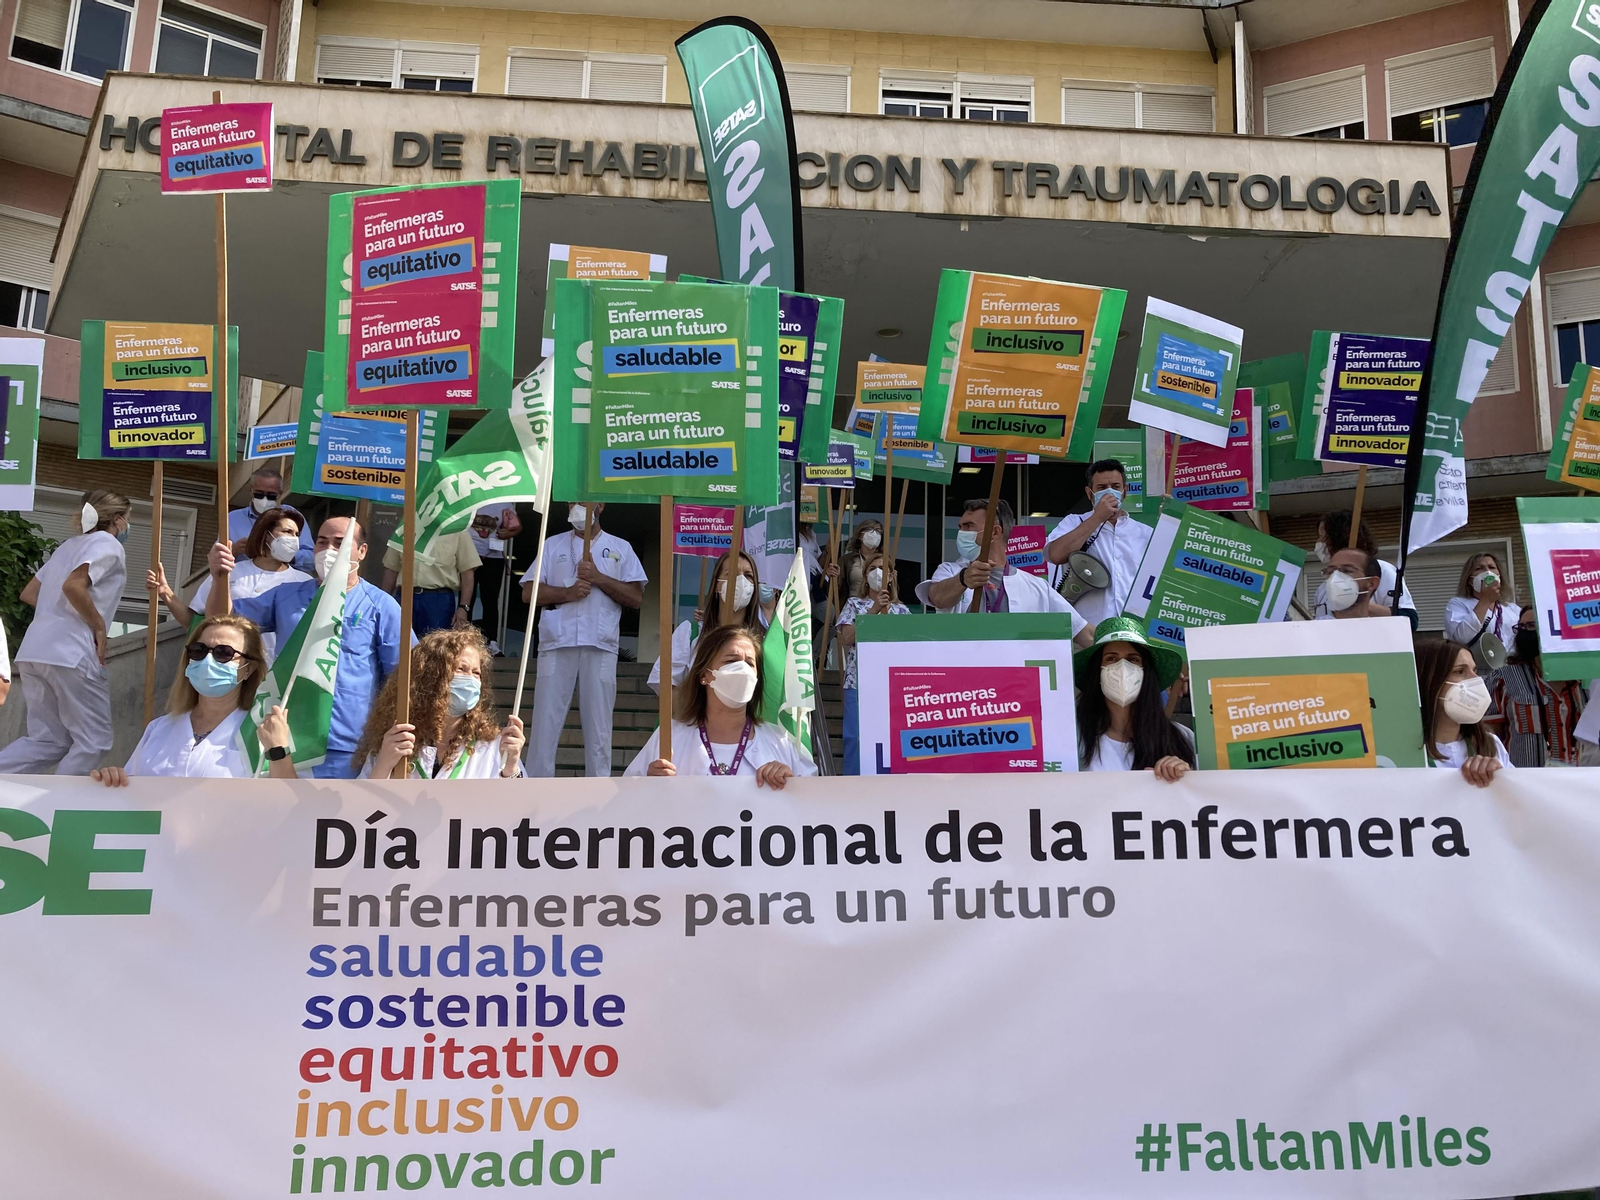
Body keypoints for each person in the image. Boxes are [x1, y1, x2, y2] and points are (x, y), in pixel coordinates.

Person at [205, 516, 405, 779]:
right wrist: (219, 577)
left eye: (340, 543)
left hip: (347, 747)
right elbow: (223, 624)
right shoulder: (287, 594)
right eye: (322, 542)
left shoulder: (381, 605)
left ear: (362, 551)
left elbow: (403, 676)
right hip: (286, 739)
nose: (329, 550)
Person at [0, 490, 130, 775]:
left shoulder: (68, 546)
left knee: (48, 740)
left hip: (36, 649)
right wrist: (97, 625)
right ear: (118, 520)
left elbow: (30, 593)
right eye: (127, 520)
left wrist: (56, 614)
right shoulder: (108, 544)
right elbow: (73, 586)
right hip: (71, 651)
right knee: (94, 740)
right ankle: (58, 805)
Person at [90, 616, 297, 784]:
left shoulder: (263, 732)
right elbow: (131, 792)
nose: (208, 661)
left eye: (223, 653)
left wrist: (278, 750)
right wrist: (113, 779)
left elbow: (289, 808)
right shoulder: (159, 729)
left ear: (248, 668)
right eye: (199, 651)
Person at [521, 501, 646, 778]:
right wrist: (567, 593)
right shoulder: (552, 545)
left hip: (600, 645)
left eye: (583, 502)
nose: (576, 508)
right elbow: (528, 593)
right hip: (556, 644)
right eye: (571, 503)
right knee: (544, 725)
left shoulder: (620, 547)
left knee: (599, 728)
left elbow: (636, 597)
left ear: (599, 505)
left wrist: (600, 578)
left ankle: (597, 792)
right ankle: (535, 794)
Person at [626, 623, 816, 785]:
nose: (742, 670)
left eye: (750, 663)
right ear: (704, 675)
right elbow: (625, 803)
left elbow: (814, 806)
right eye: (731, 660)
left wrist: (792, 784)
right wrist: (647, 786)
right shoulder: (669, 738)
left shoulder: (780, 741)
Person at [352, 627, 526, 779]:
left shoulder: (494, 745)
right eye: (461, 669)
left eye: (476, 673)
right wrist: (384, 764)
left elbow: (520, 809)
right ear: (431, 677)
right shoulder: (396, 739)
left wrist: (511, 767)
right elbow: (361, 809)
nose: (471, 680)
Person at [918, 499, 1092, 646]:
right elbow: (937, 598)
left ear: (994, 532)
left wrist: (1116, 641)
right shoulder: (950, 571)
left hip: (1015, 680)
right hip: (964, 678)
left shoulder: (1037, 587)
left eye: (968, 526)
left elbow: (1083, 633)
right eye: (961, 526)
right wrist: (963, 579)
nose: (961, 532)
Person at [151, 506, 312, 661]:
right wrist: (165, 592)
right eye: (287, 532)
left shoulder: (304, 583)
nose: (294, 539)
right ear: (266, 534)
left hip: (274, 677)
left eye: (297, 534)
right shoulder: (229, 572)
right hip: (225, 667)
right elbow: (195, 621)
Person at [1073, 616, 1195, 778]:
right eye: (1111, 658)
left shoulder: (1181, 737)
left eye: (1133, 659)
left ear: (1147, 672)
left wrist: (1186, 777)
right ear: (1097, 672)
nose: (1123, 667)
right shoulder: (1073, 739)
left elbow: (1201, 796)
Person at [1045, 459, 1153, 627]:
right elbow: (1055, 555)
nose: (1110, 494)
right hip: (1088, 630)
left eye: (1116, 487)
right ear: (1090, 493)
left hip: (1134, 630)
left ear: (1125, 491)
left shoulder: (1145, 533)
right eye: (1102, 488)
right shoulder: (1074, 522)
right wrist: (1098, 517)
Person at [649, 548, 765, 694]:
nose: (741, 581)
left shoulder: (765, 640)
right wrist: (699, 713)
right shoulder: (691, 632)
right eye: (731, 574)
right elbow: (664, 682)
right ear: (717, 584)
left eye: (748, 575)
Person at [835, 555, 911, 775]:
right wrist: (874, 609)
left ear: (892, 577)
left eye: (884, 569)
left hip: (891, 684)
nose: (878, 572)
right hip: (858, 682)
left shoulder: (902, 611)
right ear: (866, 576)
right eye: (874, 568)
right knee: (856, 738)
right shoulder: (854, 604)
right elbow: (846, 638)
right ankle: (852, 786)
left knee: (890, 737)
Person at [1489, 606, 1590, 767]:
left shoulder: (1589, 679)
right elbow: (1488, 733)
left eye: (1531, 626)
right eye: (1520, 627)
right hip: (1527, 784)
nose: (1524, 633)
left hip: (1580, 783)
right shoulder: (1504, 678)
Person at [1414, 637, 1511, 786]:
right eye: (1460, 671)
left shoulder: (1490, 744)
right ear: (1429, 680)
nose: (1476, 679)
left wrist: (1500, 779)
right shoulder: (1402, 754)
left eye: (1474, 670)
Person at [1310, 512, 1415, 621]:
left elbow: (1409, 618)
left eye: (1323, 536)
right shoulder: (1322, 589)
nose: (1318, 542)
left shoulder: (1380, 570)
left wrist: (1355, 602)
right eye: (1330, 571)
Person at [382, 528, 480, 639]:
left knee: (434, 649)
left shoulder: (458, 531)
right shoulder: (406, 526)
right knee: (398, 645)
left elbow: (467, 574)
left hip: (438, 601)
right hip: (404, 597)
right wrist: (383, 603)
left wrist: (463, 607)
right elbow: (391, 569)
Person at [225, 466, 313, 570]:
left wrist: (288, 554)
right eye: (259, 494)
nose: (264, 499)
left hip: (281, 580)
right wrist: (234, 550)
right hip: (243, 578)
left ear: (279, 494)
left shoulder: (291, 517)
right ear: (251, 491)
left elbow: (312, 559)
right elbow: (216, 556)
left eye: (271, 495)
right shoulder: (233, 518)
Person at [1443, 551, 1520, 650]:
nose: (1487, 572)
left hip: (1513, 664)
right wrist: (1485, 600)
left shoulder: (1513, 609)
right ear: (1470, 579)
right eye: (1479, 568)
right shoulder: (1458, 604)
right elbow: (1461, 639)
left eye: (1491, 567)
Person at [468, 506, 519, 649]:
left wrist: (507, 534)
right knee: (466, 600)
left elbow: (517, 527)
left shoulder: (504, 503)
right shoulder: (469, 496)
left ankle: (492, 641)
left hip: (494, 558)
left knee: (490, 600)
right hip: (468, 556)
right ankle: (462, 638)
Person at [1314, 547, 1392, 621]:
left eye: (1347, 570)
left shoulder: (1386, 631)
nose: (1335, 577)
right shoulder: (1311, 630)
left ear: (1371, 583)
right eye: (1330, 571)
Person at [839, 519, 884, 599]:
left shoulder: (885, 560)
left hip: (879, 604)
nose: (874, 534)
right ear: (860, 535)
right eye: (869, 530)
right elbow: (838, 589)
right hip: (854, 606)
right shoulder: (847, 560)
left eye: (878, 531)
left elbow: (893, 588)